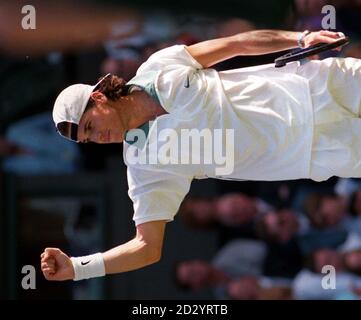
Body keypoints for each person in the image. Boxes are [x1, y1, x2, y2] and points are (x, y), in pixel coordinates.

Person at [41, 29, 361, 282]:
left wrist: (300, 38)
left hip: (319, 85)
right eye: (88, 139)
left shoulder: (158, 66)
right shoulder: (144, 166)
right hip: (320, 150)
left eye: (91, 126)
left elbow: (237, 44)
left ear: (98, 97)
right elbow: (146, 248)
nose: (98, 138)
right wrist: (79, 268)